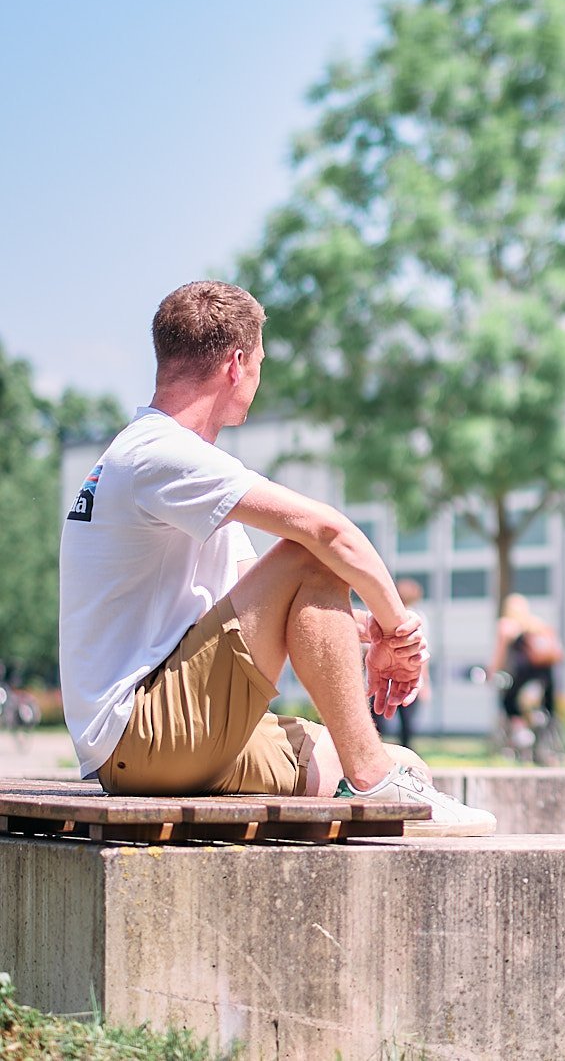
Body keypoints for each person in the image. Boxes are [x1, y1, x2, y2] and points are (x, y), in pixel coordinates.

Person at [58, 281, 494, 834]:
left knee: (406, 767)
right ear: (237, 364)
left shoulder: (175, 465)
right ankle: (371, 777)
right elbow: (326, 531)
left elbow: (261, 599)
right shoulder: (160, 453)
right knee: (312, 555)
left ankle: (373, 774)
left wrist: (366, 631)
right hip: (146, 732)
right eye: (261, 361)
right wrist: (400, 630)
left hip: (165, 736)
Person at [492, 593, 563, 749]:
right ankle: (551, 742)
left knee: (508, 703)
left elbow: (499, 656)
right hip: (546, 677)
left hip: (522, 676)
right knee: (547, 710)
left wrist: (492, 672)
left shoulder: (506, 625)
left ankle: (521, 734)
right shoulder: (538, 623)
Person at [374, 577, 431, 749]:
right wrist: (424, 681)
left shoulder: (382, 613)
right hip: (407, 674)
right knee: (405, 720)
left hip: (384, 674)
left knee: (379, 719)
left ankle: (379, 750)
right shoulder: (418, 617)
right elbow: (422, 652)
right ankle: (403, 750)